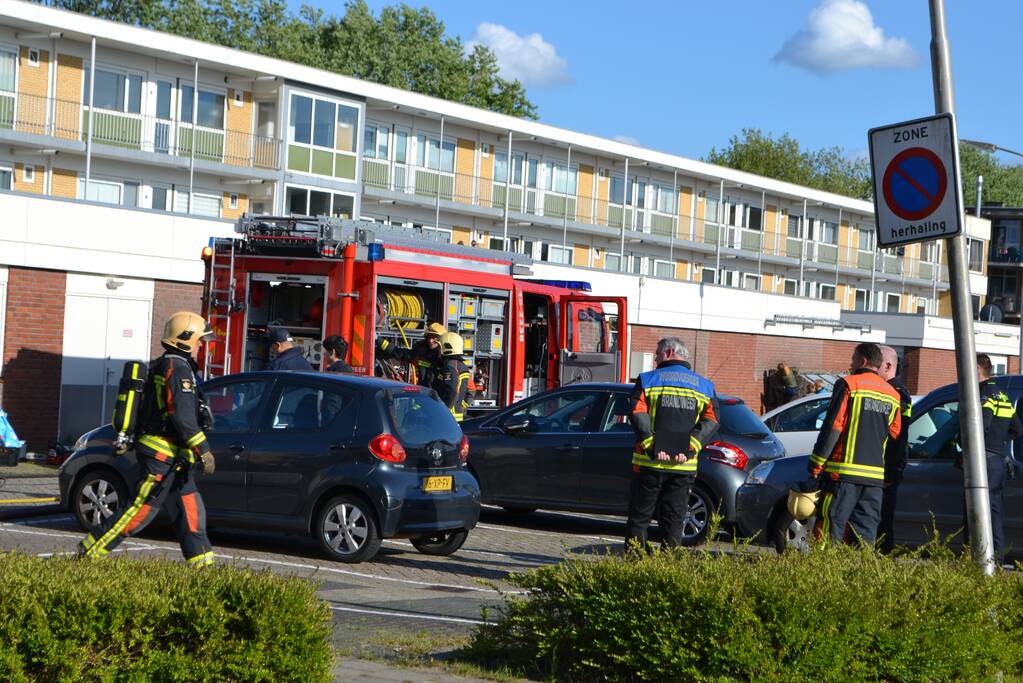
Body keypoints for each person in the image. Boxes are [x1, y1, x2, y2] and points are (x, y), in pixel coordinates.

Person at [78, 312, 217, 567]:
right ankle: (87, 555)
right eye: (200, 340)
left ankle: (203, 570)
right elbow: (183, 417)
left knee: (191, 512)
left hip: (175, 458)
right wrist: (203, 450)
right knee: (139, 512)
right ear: (186, 339)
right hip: (161, 456)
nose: (201, 346)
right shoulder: (177, 369)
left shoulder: (168, 364)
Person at [625, 337, 719, 552]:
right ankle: (667, 566)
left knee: (639, 519)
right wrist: (691, 447)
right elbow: (712, 420)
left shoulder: (648, 380)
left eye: (657, 354)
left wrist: (651, 445)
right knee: (674, 520)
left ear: (668, 352)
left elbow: (637, 412)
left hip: (649, 464)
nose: (656, 358)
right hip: (683, 467)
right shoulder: (704, 386)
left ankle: (634, 566)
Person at [808, 342, 901, 546]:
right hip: (874, 479)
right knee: (865, 534)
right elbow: (895, 433)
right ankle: (859, 574)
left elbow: (833, 426)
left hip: (843, 475)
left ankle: (823, 572)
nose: (850, 365)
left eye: (852, 360)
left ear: (863, 361)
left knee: (831, 525)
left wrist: (816, 464)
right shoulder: (893, 394)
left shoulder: (849, 384)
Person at [965, 353, 1022, 563]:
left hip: (983, 463)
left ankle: (978, 561)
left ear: (977, 369)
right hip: (997, 462)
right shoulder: (1002, 394)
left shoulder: (984, 394)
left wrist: (982, 445)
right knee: (994, 514)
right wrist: (999, 444)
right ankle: (996, 560)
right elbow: (1017, 428)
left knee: (976, 514)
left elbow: (981, 426)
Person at [877, 345, 913, 554]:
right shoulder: (895, 391)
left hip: (888, 467)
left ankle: (883, 559)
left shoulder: (896, 392)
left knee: (883, 519)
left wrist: (890, 469)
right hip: (887, 465)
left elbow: (898, 435)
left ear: (888, 365)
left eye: (877, 364)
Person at [377, 322, 444, 387]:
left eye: (434, 337)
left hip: (436, 396)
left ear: (442, 339)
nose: (430, 340)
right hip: (423, 392)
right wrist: (380, 341)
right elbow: (400, 353)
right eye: (429, 337)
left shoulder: (444, 359)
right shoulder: (422, 352)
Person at [436, 332, 471, 421]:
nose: (438, 349)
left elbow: (452, 390)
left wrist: (445, 408)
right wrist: (461, 405)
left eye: (439, 347)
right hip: (457, 415)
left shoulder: (449, 366)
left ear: (447, 347)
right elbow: (471, 390)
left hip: (448, 416)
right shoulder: (461, 365)